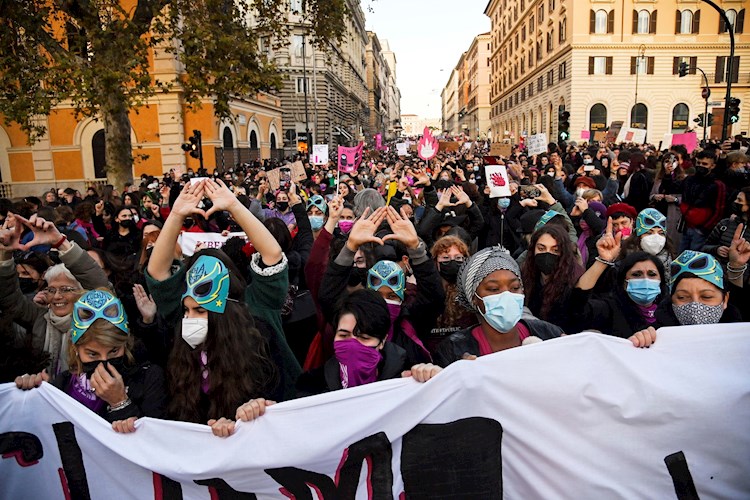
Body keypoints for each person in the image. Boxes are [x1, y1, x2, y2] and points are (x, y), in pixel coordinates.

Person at [146, 179, 298, 427]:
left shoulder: (255, 312)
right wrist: (175, 215)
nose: (190, 318)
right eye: (187, 310)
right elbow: (158, 273)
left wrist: (234, 206)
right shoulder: (181, 330)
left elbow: (272, 256)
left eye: (201, 310)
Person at [15, 290, 167, 429]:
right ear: (76, 349)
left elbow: (155, 441)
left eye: (114, 351)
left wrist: (120, 403)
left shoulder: (148, 378)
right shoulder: (64, 384)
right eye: (92, 354)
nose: (104, 362)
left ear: (125, 345)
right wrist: (34, 395)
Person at [0, 213, 109, 376]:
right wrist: (5, 255)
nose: (57, 296)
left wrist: (60, 242)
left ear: (82, 293)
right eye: (52, 290)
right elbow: (10, 299)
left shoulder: (96, 319)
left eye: (66, 289)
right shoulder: (39, 316)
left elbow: (100, 287)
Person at [434, 246, 563, 367]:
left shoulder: (549, 334)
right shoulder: (453, 350)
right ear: (474, 298)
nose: (506, 295)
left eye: (515, 287)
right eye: (494, 289)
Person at [573, 218, 669, 337]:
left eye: (652, 274)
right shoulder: (610, 310)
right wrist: (602, 261)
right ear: (624, 282)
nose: (645, 279)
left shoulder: (669, 312)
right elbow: (575, 310)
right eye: (636, 274)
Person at [520, 224, 584, 332]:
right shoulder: (527, 273)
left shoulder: (575, 279)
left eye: (555, 250)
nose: (547, 254)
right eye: (541, 248)